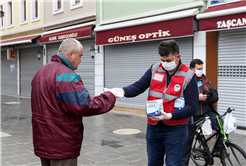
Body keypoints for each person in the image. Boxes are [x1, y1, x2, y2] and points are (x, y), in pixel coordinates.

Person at [31, 38, 117, 166]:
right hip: (61, 144)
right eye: (80, 56)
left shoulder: (41, 72)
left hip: (43, 141)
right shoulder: (67, 75)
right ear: (71, 54)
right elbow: (85, 105)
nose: (81, 60)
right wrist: (110, 96)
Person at [113, 39, 199, 166]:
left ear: (178, 56)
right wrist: (121, 91)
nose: (165, 63)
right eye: (162, 60)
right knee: (153, 163)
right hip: (153, 127)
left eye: (168, 60)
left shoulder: (188, 75)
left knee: (173, 164)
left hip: (176, 130)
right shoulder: (154, 68)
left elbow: (192, 107)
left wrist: (170, 116)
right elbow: (139, 86)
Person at [182, 59, 220, 166]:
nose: (201, 70)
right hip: (193, 115)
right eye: (199, 69)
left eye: (202, 68)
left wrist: (208, 98)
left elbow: (215, 95)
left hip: (207, 112)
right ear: (192, 69)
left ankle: (218, 150)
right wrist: (196, 97)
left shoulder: (204, 79)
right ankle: (183, 163)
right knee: (187, 143)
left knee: (221, 124)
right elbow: (180, 97)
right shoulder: (186, 80)